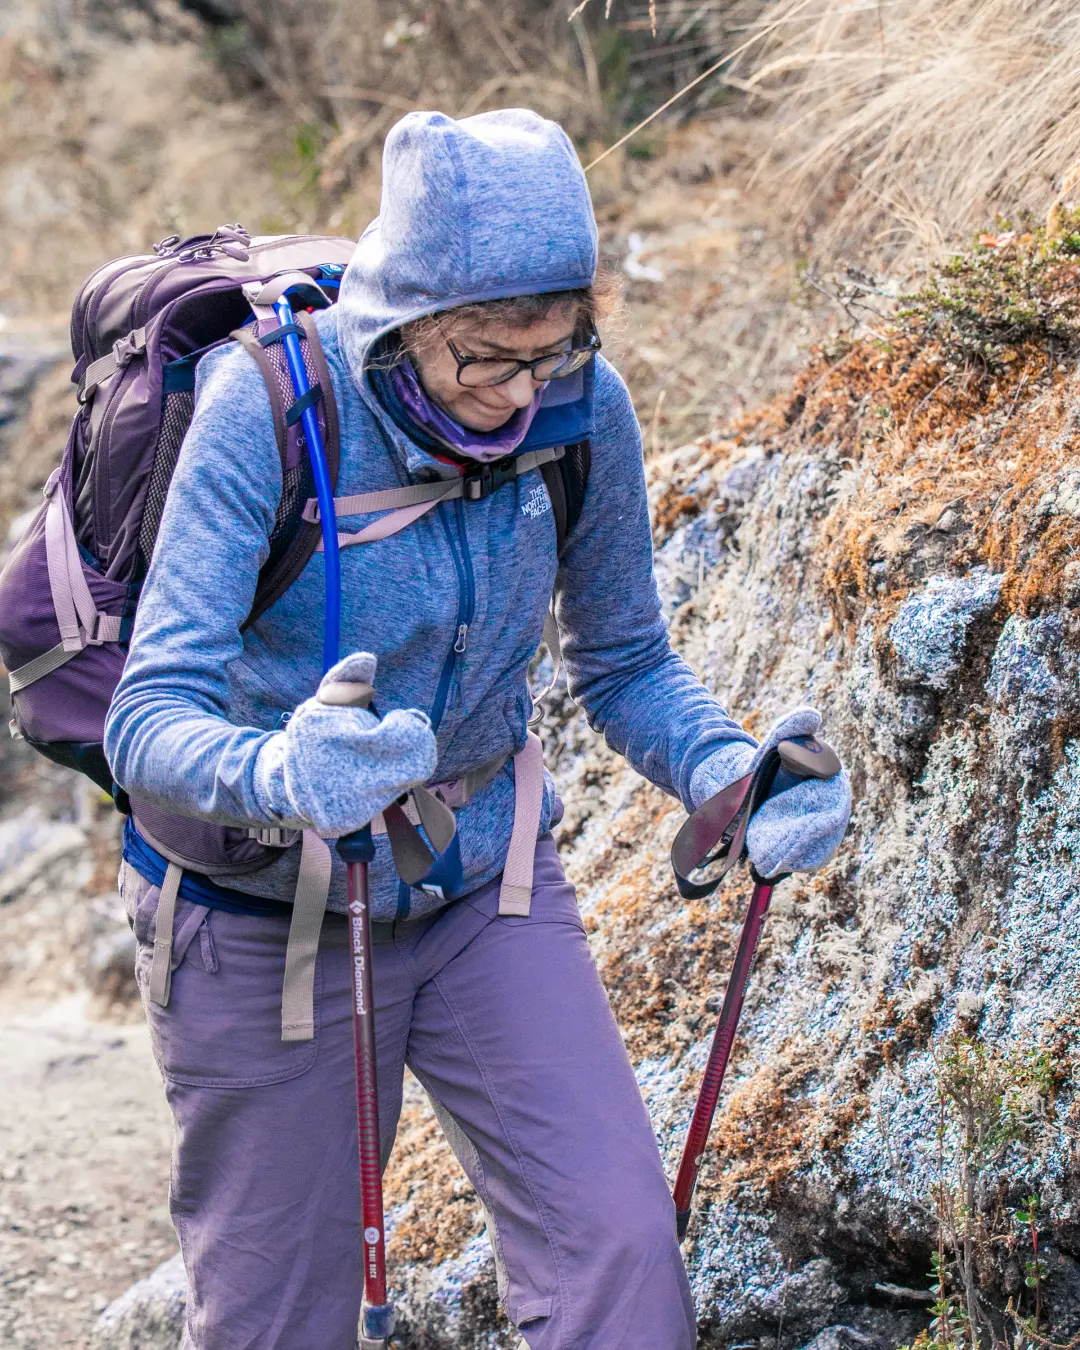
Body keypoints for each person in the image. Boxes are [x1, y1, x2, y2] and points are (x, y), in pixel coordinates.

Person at [104, 108, 851, 1350]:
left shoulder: (583, 411)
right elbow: (146, 719)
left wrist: (730, 774)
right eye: (485, 358)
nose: (519, 394)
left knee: (620, 1250)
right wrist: (282, 770)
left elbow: (626, 661)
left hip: (482, 886)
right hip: (260, 913)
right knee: (279, 1321)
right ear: (402, 321)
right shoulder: (270, 411)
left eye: (551, 355)